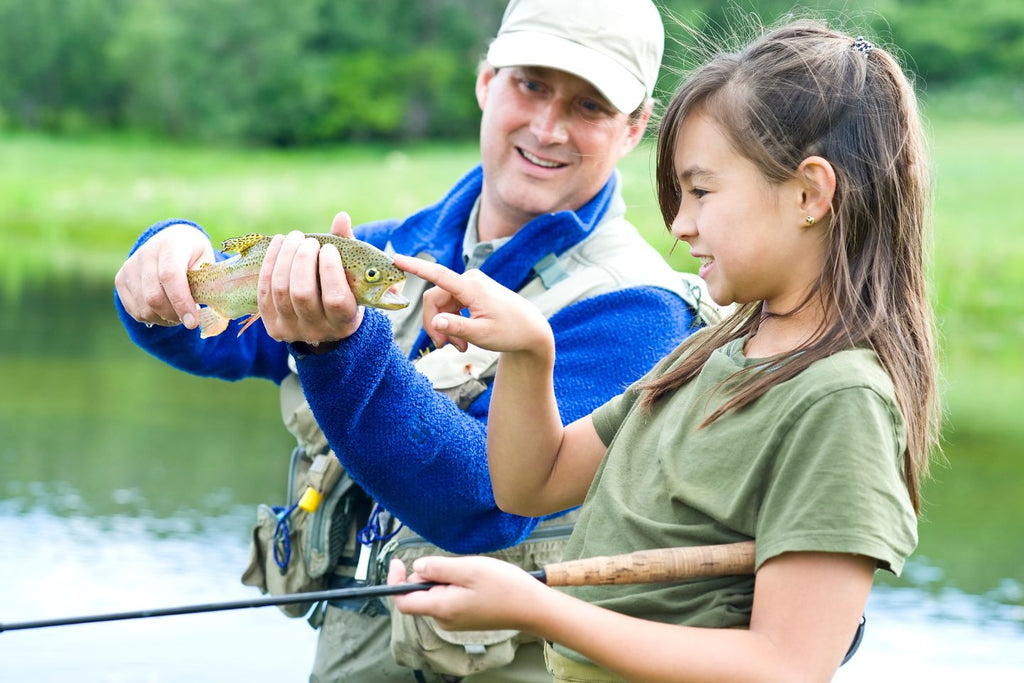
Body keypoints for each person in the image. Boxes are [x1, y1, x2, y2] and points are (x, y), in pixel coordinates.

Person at [113, 0, 720, 679]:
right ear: (486, 80)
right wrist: (164, 263)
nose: (548, 127)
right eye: (532, 85)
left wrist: (341, 346)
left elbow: (484, 498)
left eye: (589, 107)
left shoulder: (638, 308)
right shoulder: (390, 248)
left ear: (634, 127)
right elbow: (214, 339)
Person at [387, 20, 941, 682]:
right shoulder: (713, 349)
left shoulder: (841, 400)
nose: (679, 224)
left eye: (701, 191)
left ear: (809, 194)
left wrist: (540, 609)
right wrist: (529, 351)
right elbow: (530, 482)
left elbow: (786, 664)